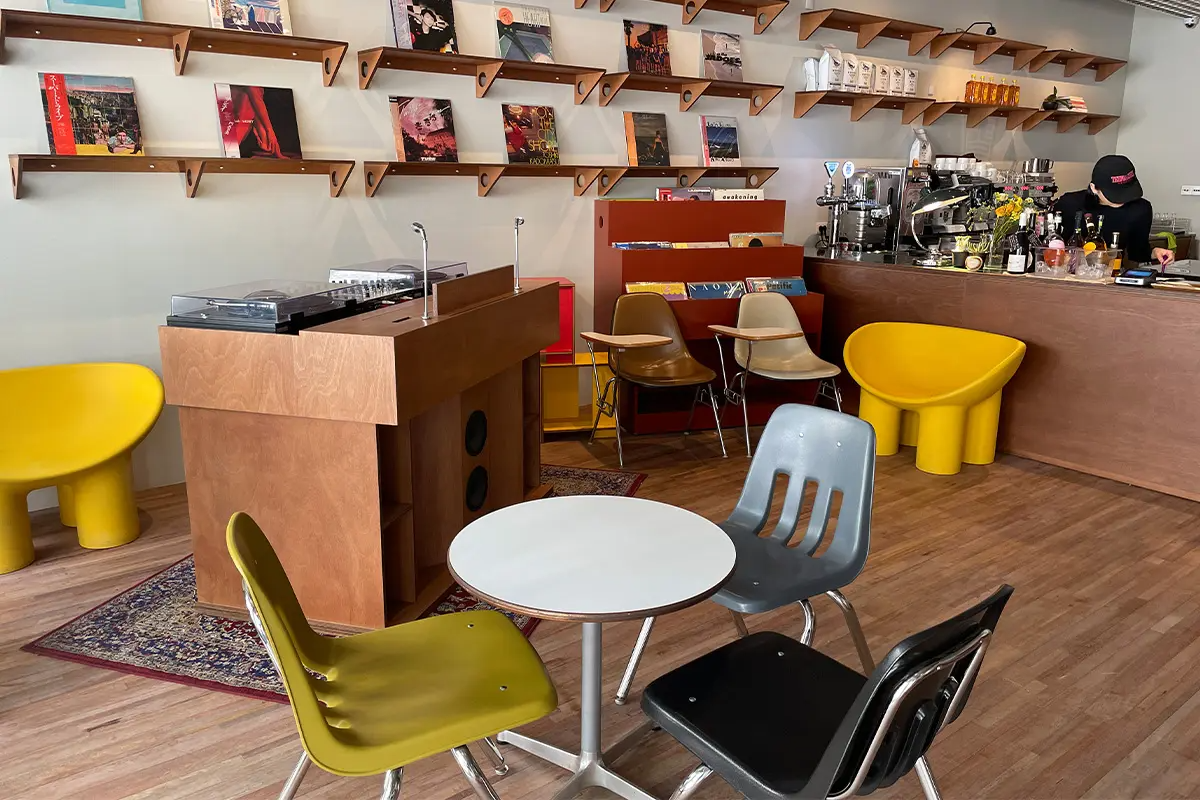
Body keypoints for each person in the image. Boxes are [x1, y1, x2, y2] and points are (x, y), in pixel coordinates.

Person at [1054, 155, 1175, 267]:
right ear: (1094, 188)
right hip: (1066, 273)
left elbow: (1137, 252)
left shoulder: (1140, 209)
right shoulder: (1070, 205)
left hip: (1111, 274)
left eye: (1127, 192)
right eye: (1115, 194)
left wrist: (1155, 252)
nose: (1122, 199)